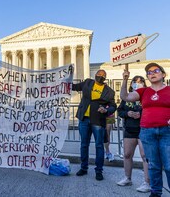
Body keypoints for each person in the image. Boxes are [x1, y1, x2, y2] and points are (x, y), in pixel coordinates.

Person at [120, 63, 170, 197]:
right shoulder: (143, 91)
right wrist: (125, 80)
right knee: (153, 164)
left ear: (163, 74)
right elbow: (125, 97)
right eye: (149, 72)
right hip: (147, 132)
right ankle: (155, 191)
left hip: (167, 132)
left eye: (156, 71)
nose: (152, 73)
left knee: (169, 165)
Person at [72, 69, 117, 181]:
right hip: (84, 119)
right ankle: (83, 167)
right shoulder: (88, 82)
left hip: (98, 120)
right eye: (99, 74)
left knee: (99, 146)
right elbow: (74, 87)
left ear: (105, 78)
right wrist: (66, 80)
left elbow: (113, 106)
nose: (100, 76)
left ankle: (99, 170)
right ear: (95, 75)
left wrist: (106, 111)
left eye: (103, 75)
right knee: (84, 144)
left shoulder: (109, 91)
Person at [117, 75, 150, 193]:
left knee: (145, 156)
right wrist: (128, 113)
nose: (138, 83)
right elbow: (120, 111)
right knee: (127, 154)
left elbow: (152, 109)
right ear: (131, 84)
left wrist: (142, 114)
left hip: (143, 129)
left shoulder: (146, 95)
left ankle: (147, 182)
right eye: (135, 82)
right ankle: (127, 178)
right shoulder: (127, 97)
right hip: (130, 130)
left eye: (141, 81)